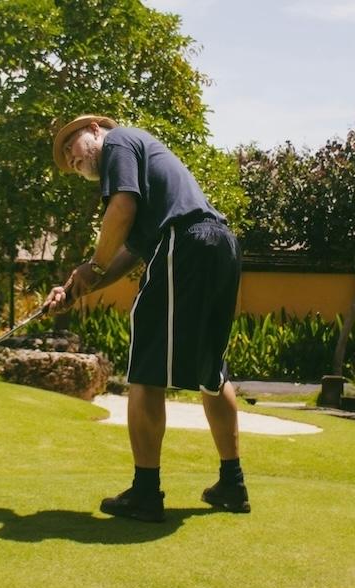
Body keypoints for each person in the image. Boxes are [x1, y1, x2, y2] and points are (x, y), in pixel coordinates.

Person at [44, 115, 249, 523]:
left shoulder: (118, 143)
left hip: (184, 243)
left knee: (146, 372)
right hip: (219, 245)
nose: (72, 158)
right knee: (212, 373)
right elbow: (128, 254)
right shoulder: (147, 171)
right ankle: (232, 483)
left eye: (72, 144)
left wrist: (93, 265)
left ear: (96, 130)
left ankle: (145, 491)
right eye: (67, 158)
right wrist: (79, 284)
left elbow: (121, 208)